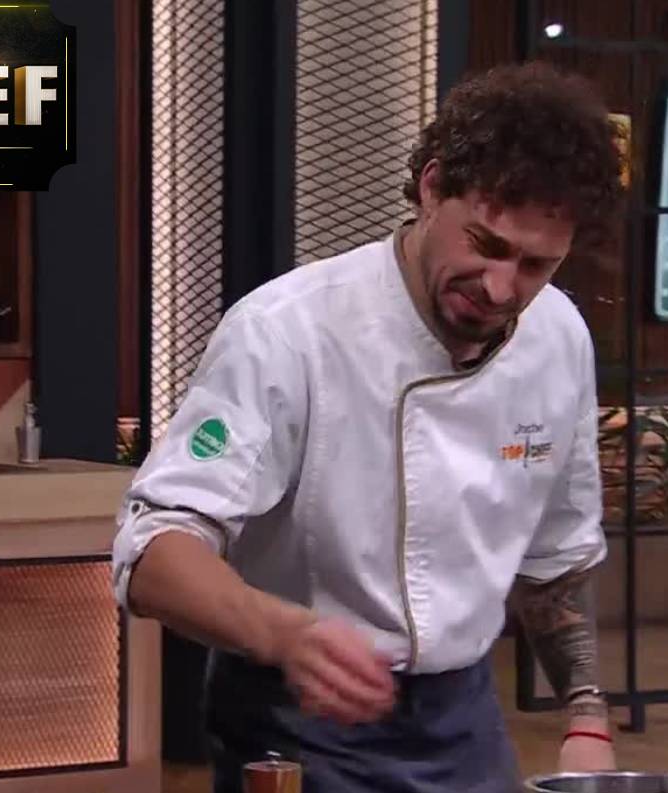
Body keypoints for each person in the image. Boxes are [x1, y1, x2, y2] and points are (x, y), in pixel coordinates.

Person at [112, 61, 626, 793]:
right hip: (298, 718)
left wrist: (586, 716)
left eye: (536, 266)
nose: (500, 288)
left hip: (462, 720)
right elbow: (153, 551)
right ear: (431, 187)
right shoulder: (288, 331)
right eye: (485, 245)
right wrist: (283, 632)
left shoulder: (558, 338)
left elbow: (557, 561)